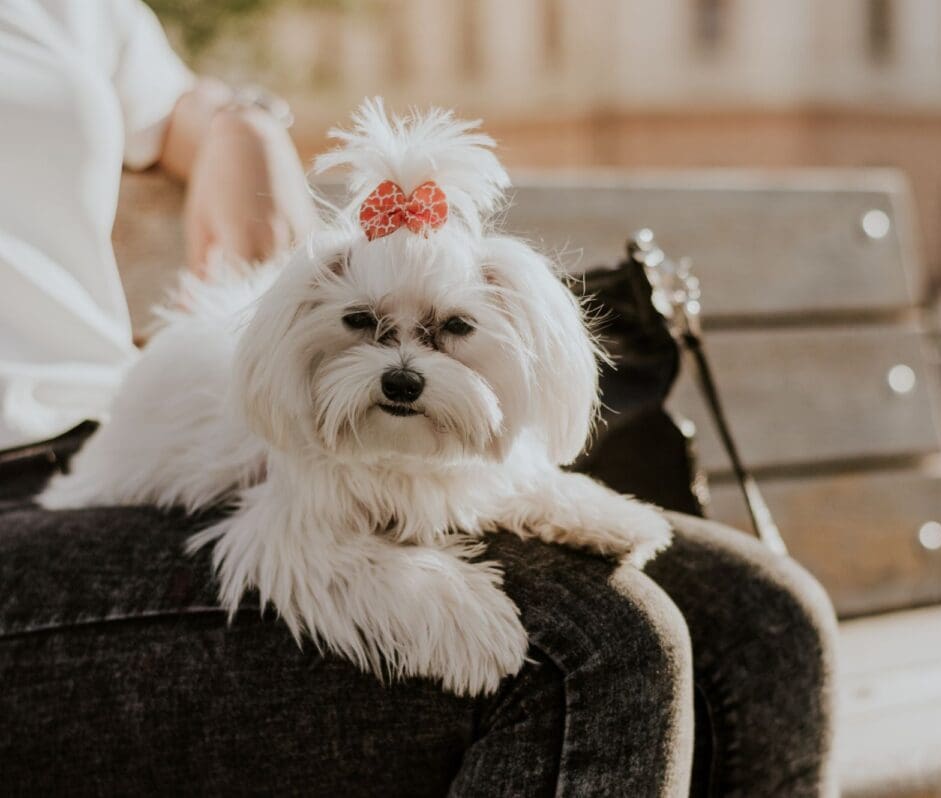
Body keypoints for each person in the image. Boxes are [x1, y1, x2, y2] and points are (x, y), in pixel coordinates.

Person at [0, 2, 837, 795]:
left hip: (82, 433)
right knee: (585, 643)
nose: (404, 365)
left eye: (443, 334)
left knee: (764, 620)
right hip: (62, 510)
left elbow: (172, 103)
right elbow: (285, 546)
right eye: (369, 328)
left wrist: (237, 121)